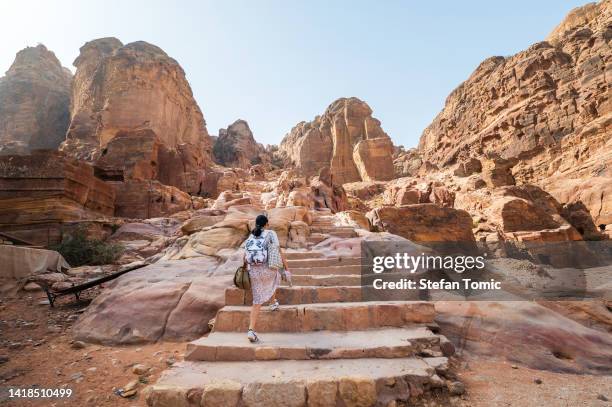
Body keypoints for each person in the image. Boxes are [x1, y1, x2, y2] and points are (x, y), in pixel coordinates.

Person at [243, 214, 289, 343]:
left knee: (256, 301)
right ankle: (272, 302)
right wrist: (286, 267)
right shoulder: (271, 233)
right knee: (277, 275)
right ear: (266, 224)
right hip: (268, 268)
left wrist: (246, 269)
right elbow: (279, 251)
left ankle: (251, 330)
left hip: (253, 271)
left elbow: (245, 254)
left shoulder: (251, 235)